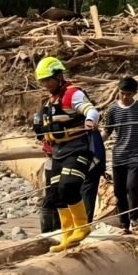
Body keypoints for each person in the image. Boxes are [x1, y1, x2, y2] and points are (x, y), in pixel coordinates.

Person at [33, 57, 100, 252]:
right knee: (56, 195)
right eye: (42, 81)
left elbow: (91, 110)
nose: (45, 85)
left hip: (77, 147)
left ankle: (82, 225)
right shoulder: (50, 100)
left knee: (69, 186)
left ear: (59, 76)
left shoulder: (73, 94)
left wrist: (89, 121)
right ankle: (67, 236)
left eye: (48, 80)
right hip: (58, 151)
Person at [103, 77, 138, 233]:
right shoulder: (112, 110)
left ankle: (134, 217)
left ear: (134, 94)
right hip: (118, 154)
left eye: (128, 94)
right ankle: (124, 223)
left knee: (132, 186)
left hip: (135, 154)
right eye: (122, 93)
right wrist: (94, 143)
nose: (124, 97)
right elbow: (107, 132)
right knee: (119, 191)